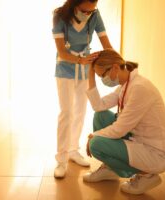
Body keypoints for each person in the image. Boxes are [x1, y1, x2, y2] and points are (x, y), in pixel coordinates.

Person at [83, 48, 165, 194]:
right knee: (100, 116)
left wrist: (93, 136)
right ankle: (110, 169)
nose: (103, 80)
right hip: (139, 140)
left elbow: (119, 129)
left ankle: (147, 175)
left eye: (103, 75)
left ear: (114, 67)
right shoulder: (126, 85)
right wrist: (90, 73)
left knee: (96, 144)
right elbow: (98, 105)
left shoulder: (139, 87)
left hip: (157, 153)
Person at [52, 0, 114, 178]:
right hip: (65, 69)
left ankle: (73, 150)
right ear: (74, 4)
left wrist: (117, 62)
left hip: (85, 70)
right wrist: (80, 60)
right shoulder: (59, 16)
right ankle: (61, 159)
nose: (87, 14)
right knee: (67, 113)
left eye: (90, 11)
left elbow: (106, 44)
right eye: (84, 11)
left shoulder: (95, 15)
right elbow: (62, 52)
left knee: (80, 111)